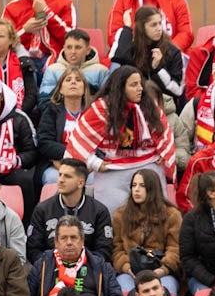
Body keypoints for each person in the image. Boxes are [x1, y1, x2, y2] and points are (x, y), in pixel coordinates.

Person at [64, 65, 175, 211]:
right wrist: (95, 163)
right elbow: (78, 141)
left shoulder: (149, 105)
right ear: (121, 87)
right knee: (112, 219)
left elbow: (164, 132)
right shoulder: (101, 108)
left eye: (140, 83)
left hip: (148, 167)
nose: (140, 88)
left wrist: (163, 152)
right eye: (134, 85)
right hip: (112, 171)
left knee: (156, 216)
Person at [27, 216, 125, 296]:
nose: (69, 242)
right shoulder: (42, 265)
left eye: (73, 238)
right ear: (56, 242)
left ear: (82, 240)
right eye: (64, 238)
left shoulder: (101, 266)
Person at [27, 158, 115, 265]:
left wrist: (78, 265)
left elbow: (104, 251)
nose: (61, 180)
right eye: (60, 175)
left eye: (67, 176)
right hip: (51, 270)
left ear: (81, 183)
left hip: (87, 272)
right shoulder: (42, 209)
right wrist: (55, 265)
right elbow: (33, 250)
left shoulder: (99, 211)